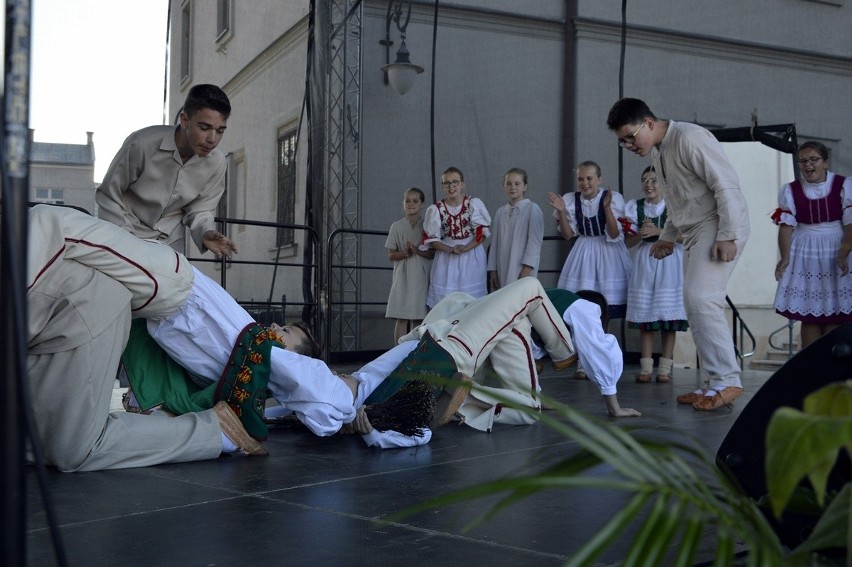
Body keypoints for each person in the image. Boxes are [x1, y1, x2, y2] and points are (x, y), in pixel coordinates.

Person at [27, 204, 264, 472]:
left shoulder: (212, 165)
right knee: (27, 438)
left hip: (100, 294)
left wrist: (204, 230)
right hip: (128, 246)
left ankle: (217, 431)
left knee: (71, 448)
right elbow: (112, 198)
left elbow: (200, 208)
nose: (208, 157)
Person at [607, 97, 750, 411]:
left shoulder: (690, 138)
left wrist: (728, 234)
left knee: (702, 298)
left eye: (631, 136)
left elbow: (725, 186)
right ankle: (713, 384)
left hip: (718, 223)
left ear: (648, 122)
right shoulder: (659, 152)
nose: (629, 145)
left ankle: (727, 380)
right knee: (693, 302)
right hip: (694, 229)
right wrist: (669, 237)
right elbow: (677, 201)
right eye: (623, 142)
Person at [95, 83, 238, 258]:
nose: (212, 139)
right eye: (204, 128)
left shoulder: (217, 162)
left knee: (180, 283)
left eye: (220, 131)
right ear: (184, 120)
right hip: (125, 231)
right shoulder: (141, 144)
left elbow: (201, 209)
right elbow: (109, 195)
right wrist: (125, 239)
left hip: (170, 241)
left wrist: (205, 232)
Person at [546, 161, 631, 380]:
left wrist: (607, 209)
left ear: (599, 179)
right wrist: (562, 213)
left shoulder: (613, 198)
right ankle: (584, 360)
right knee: (582, 308)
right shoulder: (570, 200)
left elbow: (613, 234)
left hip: (609, 253)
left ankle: (604, 358)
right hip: (584, 251)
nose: (585, 183)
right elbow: (567, 235)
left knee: (607, 308)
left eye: (589, 178)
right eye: (581, 179)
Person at [772, 141, 852, 348]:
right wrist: (785, 257)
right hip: (805, 251)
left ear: (826, 162)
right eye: (803, 161)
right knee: (809, 313)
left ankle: (831, 368)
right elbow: (786, 227)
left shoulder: (843, 185)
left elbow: (850, 225)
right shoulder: (791, 190)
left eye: (813, 159)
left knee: (836, 312)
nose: (808, 165)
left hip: (836, 245)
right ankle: (810, 366)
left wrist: (843, 254)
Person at [622, 166, 689, 383]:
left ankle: (665, 368)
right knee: (646, 315)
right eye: (645, 180)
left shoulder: (674, 205)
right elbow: (627, 242)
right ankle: (646, 367)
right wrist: (641, 234)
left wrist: (659, 232)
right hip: (645, 260)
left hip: (670, 261)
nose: (649, 184)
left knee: (668, 317)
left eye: (654, 180)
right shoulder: (635, 207)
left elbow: (686, 237)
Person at [422, 166, 492, 308]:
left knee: (472, 302)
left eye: (454, 182)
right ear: (442, 186)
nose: (451, 186)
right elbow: (432, 240)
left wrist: (466, 248)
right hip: (446, 256)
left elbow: (481, 234)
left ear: (462, 184)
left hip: (471, 254)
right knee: (446, 302)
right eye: (446, 183)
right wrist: (451, 249)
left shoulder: (473, 204)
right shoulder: (436, 209)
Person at [385, 187, 434, 343]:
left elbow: (433, 252)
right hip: (402, 276)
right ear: (403, 203)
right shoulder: (396, 226)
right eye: (407, 201)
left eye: (415, 201)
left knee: (419, 317)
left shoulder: (428, 225)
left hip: (421, 276)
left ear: (422, 204)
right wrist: (405, 253)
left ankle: (414, 354)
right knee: (401, 316)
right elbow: (391, 254)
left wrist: (417, 251)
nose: (411, 204)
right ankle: (396, 354)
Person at [487, 167, 544, 291]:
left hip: (521, 267)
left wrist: (527, 268)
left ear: (525, 186)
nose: (512, 187)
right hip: (502, 265)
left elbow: (535, 242)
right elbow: (495, 243)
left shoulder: (532, 209)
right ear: (504, 187)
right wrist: (493, 270)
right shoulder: (500, 212)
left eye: (517, 183)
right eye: (508, 183)